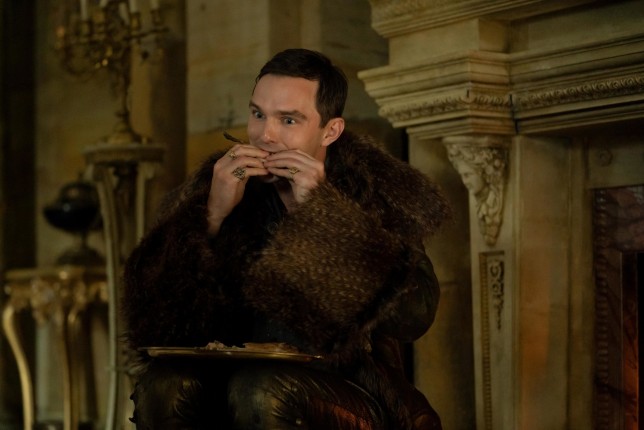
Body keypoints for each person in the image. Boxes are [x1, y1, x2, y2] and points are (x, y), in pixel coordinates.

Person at [123, 48, 450, 429]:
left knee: (261, 388)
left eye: (288, 120)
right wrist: (211, 215)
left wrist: (323, 216)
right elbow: (152, 320)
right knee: (163, 385)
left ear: (330, 131)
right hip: (230, 376)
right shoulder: (214, 186)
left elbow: (414, 318)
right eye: (258, 114)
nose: (265, 135)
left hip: (349, 388)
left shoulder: (376, 193)